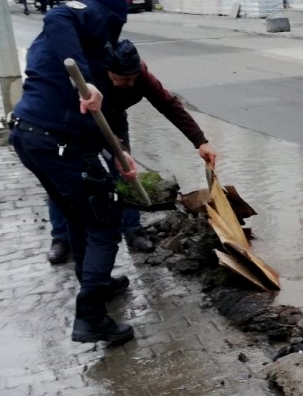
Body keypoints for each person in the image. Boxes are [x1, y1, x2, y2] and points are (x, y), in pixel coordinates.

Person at [8, 0, 137, 346]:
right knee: (105, 220)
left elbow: (100, 114)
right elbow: (60, 16)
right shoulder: (85, 16)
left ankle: (95, 282)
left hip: (33, 137)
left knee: (82, 214)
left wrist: (119, 152)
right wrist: (84, 77)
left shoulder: (90, 47)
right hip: (53, 142)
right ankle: (91, 317)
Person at [45, 39, 218, 264]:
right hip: (77, 122)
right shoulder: (90, 76)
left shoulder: (141, 77)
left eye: (132, 78)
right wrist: (112, 148)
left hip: (115, 120)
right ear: (108, 71)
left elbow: (169, 105)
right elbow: (73, 113)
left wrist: (200, 141)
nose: (128, 83)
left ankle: (133, 230)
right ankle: (60, 238)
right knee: (64, 178)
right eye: (121, 78)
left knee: (125, 173)